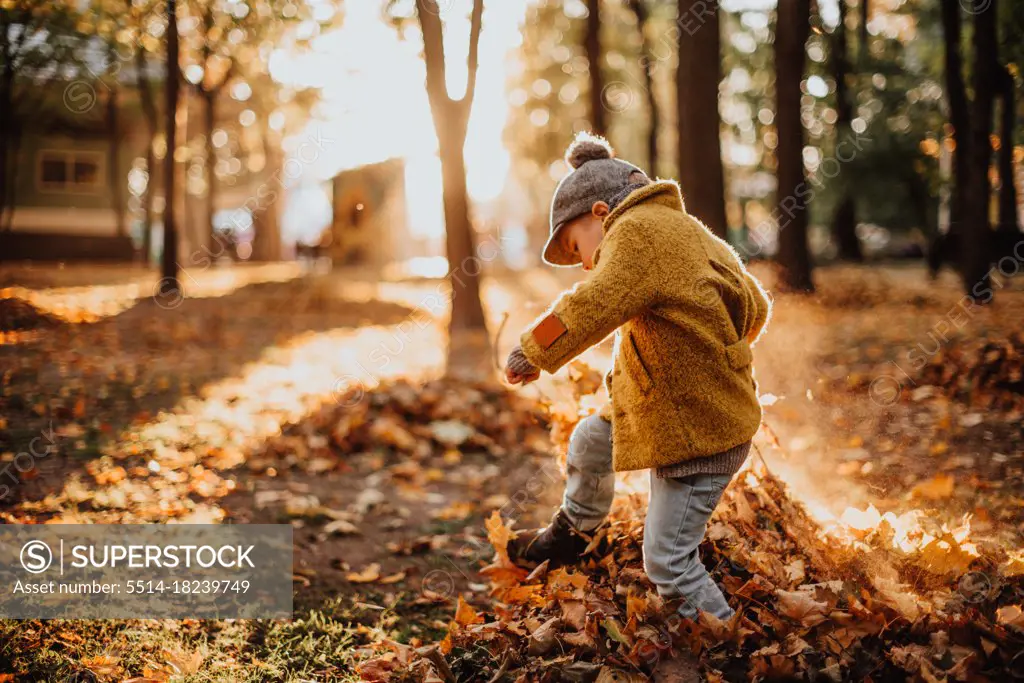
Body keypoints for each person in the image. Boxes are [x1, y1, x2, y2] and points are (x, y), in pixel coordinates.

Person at [503, 132, 772, 622]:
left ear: (602, 212)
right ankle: (574, 533)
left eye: (576, 243)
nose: (584, 262)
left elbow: (591, 303)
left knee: (667, 560)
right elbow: (753, 302)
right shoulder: (690, 230)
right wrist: (721, 351)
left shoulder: (636, 234)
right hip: (671, 410)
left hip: (699, 436)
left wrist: (531, 349)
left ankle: (731, 644)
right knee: (589, 439)